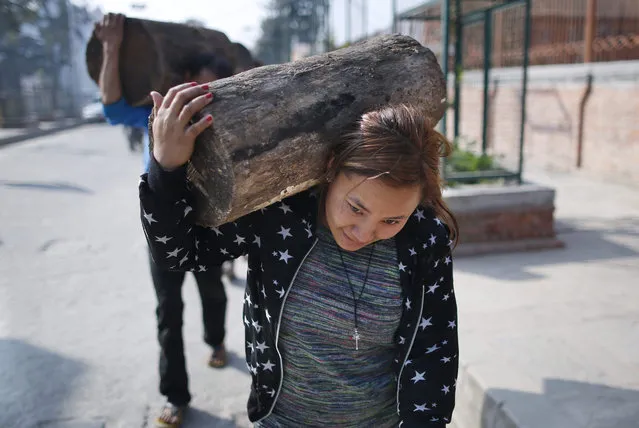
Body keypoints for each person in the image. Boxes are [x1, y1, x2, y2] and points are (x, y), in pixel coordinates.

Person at [140, 82, 460, 427]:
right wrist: (166, 168)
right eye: (355, 207)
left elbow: (434, 348)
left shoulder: (424, 238)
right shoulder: (280, 214)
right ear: (333, 168)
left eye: (392, 220)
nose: (365, 233)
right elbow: (178, 254)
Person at [94, 13, 234, 427]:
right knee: (167, 312)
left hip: (210, 228)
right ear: (183, 79)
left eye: (210, 92)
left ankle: (217, 341)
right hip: (164, 232)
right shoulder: (157, 115)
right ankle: (175, 396)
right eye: (195, 87)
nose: (198, 100)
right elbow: (113, 108)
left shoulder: (226, 122)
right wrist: (111, 47)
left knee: (213, 296)